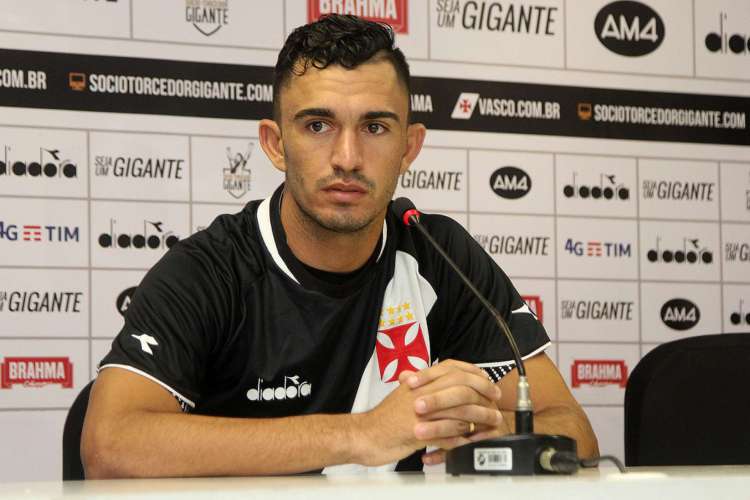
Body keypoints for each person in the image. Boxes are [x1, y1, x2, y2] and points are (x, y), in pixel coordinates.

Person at [81, 14, 598, 478]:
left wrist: (488, 428)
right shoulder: (210, 269)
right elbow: (110, 446)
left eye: (374, 127)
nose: (347, 157)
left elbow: (575, 432)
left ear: (409, 147)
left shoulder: (440, 255)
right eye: (318, 125)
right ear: (275, 144)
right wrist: (363, 434)